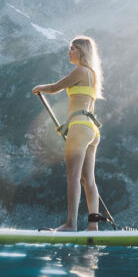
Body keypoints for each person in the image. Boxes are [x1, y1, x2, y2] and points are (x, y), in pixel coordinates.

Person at [32, 35, 105, 231]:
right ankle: (93, 226)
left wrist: (39, 88)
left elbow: (55, 88)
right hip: (90, 129)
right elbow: (84, 106)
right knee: (88, 179)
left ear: (81, 51)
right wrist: (68, 127)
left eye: (72, 48)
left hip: (80, 128)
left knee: (73, 177)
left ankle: (70, 223)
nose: (68, 52)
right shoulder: (92, 74)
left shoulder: (79, 70)